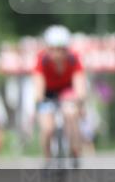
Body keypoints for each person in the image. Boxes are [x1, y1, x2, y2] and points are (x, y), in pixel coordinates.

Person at [32, 25, 88, 165]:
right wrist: (39, 101)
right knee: (47, 129)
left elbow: (79, 85)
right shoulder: (42, 60)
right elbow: (38, 86)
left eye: (61, 49)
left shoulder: (73, 59)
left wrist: (79, 101)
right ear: (48, 49)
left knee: (70, 113)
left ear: (66, 49)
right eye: (53, 49)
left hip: (67, 91)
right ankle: (47, 159)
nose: (57, 54)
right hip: (48, 93)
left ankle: (74, 150)